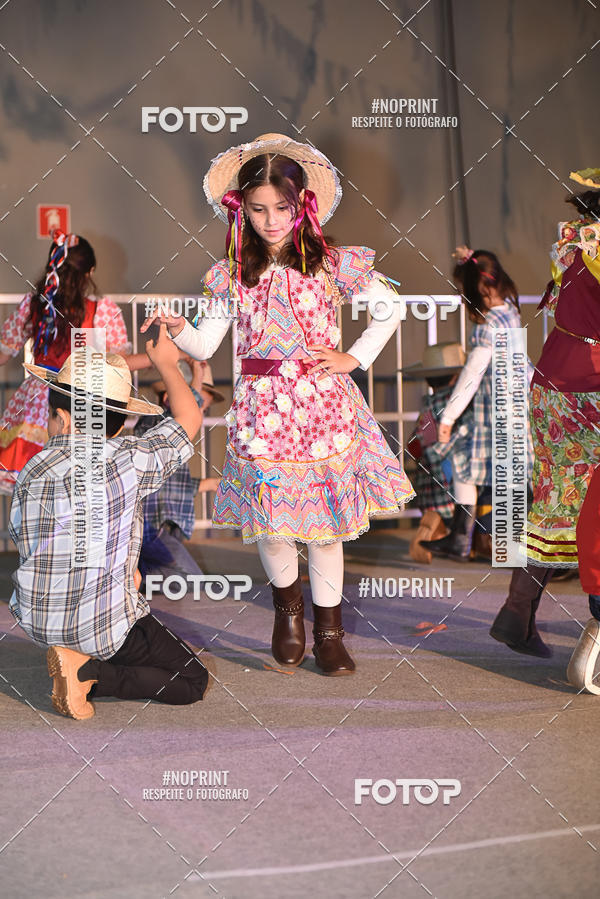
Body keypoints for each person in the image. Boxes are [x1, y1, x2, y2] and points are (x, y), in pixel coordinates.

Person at [143, 132, 415, 676]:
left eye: (282, 208)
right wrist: (181, 329)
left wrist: (352, 359)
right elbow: (205, 345)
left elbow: (391, 307)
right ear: (240, 208)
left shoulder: (332, 263)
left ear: (302, 206)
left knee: (325, 527)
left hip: (322, 409)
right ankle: (287, 613)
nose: (270, 220)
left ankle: (331, 633)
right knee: (271, 524)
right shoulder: (231, 273)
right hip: (261, 412)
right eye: (258, 209)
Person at [8, 326, 208, 719]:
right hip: (103, 625)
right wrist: (165, 363)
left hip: (36, 617)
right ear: (119, 426)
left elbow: (23, 538)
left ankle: (71, 650)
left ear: (61, 419)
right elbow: (189, 417)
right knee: (192, 680)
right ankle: (90, 673)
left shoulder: (32, 468)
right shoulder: (128, 458)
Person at [490, 169, 600, 657]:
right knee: (585, 496)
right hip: (589, 385)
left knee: (559, 493)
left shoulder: (574, 248)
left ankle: (518, 609)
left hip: (554, 381)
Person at [0, 231, 150, 493]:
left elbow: (2, 354)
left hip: (38, 404)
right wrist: (159, 357)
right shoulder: (102, 311)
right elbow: (120, 363)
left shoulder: (34, 305)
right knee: (80, 486)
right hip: (84, 402)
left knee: (36, 486)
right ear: (90, 272)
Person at [421, 247, 533, 561]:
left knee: (494, 472)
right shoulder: (509, 309)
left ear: (480, 290)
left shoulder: (489, 327)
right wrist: (470, 260)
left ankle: (491, 544)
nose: (461, 296)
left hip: (499, 409)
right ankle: (462, 537)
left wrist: (447, 418)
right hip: (510, 402)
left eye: (462, 290)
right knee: (473, 468)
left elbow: (473, 373)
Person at [135, 359, 222, 587]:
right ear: (168, 399)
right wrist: (198, 374)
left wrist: (211, 484)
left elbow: (174, 484)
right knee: (194, 584)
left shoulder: (169, 437)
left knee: (177, 579)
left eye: (202, 409)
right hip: (156, 526)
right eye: (198, 407)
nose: (199, 414)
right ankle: (135, 581)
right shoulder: (156, 423)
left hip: (164, 526)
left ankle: (139, 579)